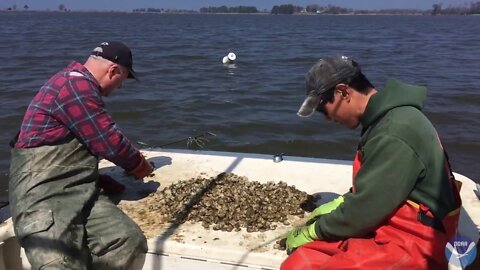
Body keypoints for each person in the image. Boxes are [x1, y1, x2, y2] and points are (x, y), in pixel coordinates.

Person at [281, 55, 462, 269]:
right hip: (394, 223)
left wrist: (315, 231)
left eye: (323, 109)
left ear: (343, 92)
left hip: (418, 241)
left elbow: (362, 213)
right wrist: (344, 201)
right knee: (302, 260)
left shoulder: (393, 131)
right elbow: (382, 185)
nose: (328, 118)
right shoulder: (388, 118)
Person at [8, 41, 154, 269]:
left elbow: (74, 146)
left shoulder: (72, 82)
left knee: (127, 242)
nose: (120, 87)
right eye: (122, 80)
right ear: (113, 71)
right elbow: (109, 140)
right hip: (41, 196)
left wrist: (93, 177)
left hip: (81, 192)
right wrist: (140, 166)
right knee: (59, 262)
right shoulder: (75, 86)